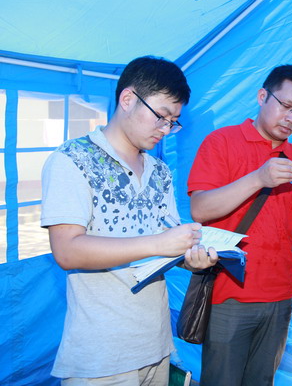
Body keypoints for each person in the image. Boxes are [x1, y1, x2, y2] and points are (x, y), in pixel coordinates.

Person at [41, 56, 218, 385]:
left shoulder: (159, 171)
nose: (165, 129)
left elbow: (167, 243)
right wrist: (158, 243)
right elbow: (66, 250)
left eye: (173, 122)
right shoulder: (72, 160)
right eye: (161, 117)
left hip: (156, 344)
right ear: (127, 99)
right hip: (101, 355)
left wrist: (191, 258)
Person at [188, 64, 292, 385]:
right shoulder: (221, 142)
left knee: (262, 380)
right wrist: (259, 178)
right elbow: (200, 209)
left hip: (279, 295)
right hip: (229, 292)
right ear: (262, 96)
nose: (291, 118)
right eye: (286, 106)